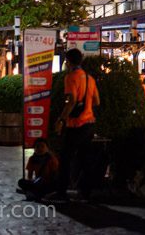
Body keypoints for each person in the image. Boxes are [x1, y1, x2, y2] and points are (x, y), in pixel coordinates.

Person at [54, 48, 100, 201]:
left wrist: (61, 119)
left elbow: (72, 100)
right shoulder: (89, 78)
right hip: (89, 123)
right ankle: (85, 192)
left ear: (68, 61)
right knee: (85, 158)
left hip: (75, 124)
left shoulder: (71, 77)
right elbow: (96, 101)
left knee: (65, 158)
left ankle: (61, 191)